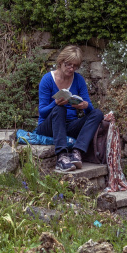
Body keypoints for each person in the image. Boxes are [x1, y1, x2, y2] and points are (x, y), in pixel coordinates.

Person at [36, 45, 104, 173]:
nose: (71, 69)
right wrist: (55, 103)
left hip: (70, 125)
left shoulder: (78, 80)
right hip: (48, 126)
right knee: (60, 109)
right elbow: (42, 112)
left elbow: (90, 110)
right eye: (68, 65)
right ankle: (61, 157)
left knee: (97, 113)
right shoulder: (47, 79)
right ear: (60, 62)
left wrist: (85, 106)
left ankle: (77, 152)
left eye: (75, 66)